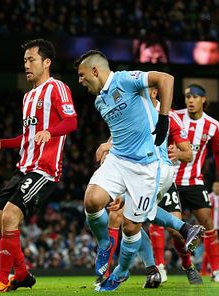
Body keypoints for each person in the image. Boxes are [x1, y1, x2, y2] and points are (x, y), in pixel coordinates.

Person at [75, 50, 201, 292]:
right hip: (118, 160)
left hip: (146, 167)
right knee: (92, 201)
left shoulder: (125, 79)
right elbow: (123, 128)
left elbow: (166, 79)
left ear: (95, 70)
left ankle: (121, 272)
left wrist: (163, 119)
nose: (79, 81)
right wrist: (109, 144)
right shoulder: (99, 101)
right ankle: (104, 243)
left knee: (132, 227)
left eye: (81, 75)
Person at [0, 39, 77, 293]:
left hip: (44, 169)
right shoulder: (28, 96)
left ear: (47, 62)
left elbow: (71, 121)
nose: (26, 64)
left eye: (31, 59)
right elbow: (28, 136)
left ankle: (2, 278)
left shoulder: (58, 88)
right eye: (24, 60)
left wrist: (50, 131)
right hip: (23, 166)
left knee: (10, 217)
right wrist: (2, 143)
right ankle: (22, 273)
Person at [95, 86, 202, 285]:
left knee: (169, 231)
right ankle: (148, 269)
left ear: (153, 93)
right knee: (126, 218)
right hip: (137, 173)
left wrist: (178, 154)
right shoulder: (132, 111)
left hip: (159, 175)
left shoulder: (168, 116)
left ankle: (188, 263)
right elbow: (119, 139)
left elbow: (188, 154)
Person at [174, 84, 219, 283]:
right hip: (170, 181)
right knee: (176, 231)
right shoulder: (175, 116)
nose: (190, 100)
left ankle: (216, 271)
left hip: (194, 181)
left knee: (208, 224)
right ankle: (186, 267)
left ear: (204, 99)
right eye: (187, 96)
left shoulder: (212, 125)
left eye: (195, 96)